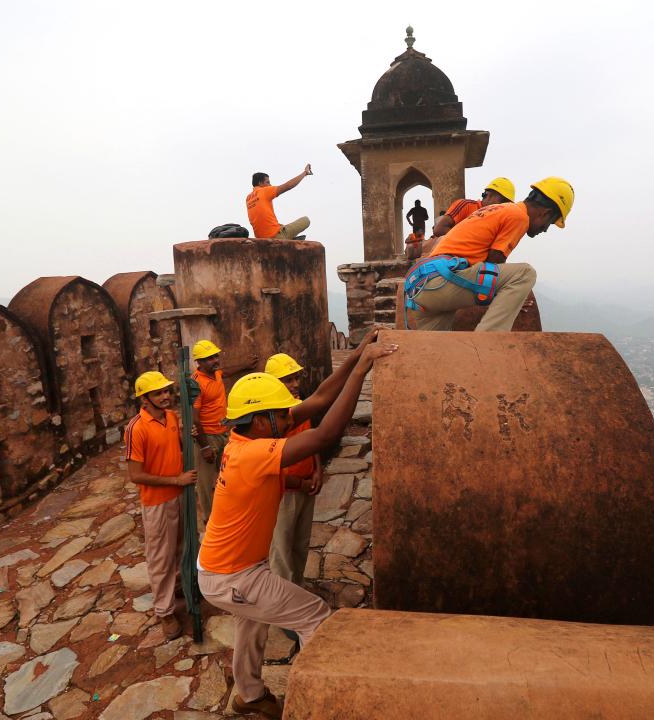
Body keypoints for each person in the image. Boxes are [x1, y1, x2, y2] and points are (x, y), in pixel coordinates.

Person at [198, 332, 398, 719]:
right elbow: (326, 433)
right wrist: (363, 368)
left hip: (226, 568)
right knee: (315, 616)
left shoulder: (243, 440)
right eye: (279, 414)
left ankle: (250, 695)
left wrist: (356, 352)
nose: (287, 417)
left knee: (251, 624)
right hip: (233, 575)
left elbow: (320, 399)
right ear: (259, 420)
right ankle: (316, 705)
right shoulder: (253, 452)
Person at [266, 329, 383, 592]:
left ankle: (296, 585)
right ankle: (284, 599)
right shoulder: (274, 421)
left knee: (299, 543)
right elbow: (323, 418)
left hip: (305, 484)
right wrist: (359, 365)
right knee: (281, 548)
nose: (295, 384)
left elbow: (312, 436)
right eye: (287, 380)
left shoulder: (293, 406)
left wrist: (317, 470)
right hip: (284, 491)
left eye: (296, 377)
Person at [405, 177, 574, 332]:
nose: (544, 229)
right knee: (525, 274)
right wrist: (509, 298)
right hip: (442, 281)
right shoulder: (519, 216)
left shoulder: (497, 209)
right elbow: (494, 263)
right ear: (545, 213)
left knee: (437, 351)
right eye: (549, 224)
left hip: (420, 286)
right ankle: (488, 339)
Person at [124, 371, 198, 640]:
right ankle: (165, 612)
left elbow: (174, 446)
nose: (165, 396)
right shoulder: (136, 428)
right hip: (158, 501)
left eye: (167, 391)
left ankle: (178, 588)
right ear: (144, 399)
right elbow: (135, 475)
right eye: (158, 393)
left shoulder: (171, 418)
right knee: (160, 558)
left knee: (181, 547)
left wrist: (186, 436)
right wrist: (175, 480)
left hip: (180, 493)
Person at [191, 339, 257, 529]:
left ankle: (228, 512)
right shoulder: (196, 384)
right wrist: (204, 446)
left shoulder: (216, 374)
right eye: (209, 358)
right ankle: (210, 520)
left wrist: (246, 365)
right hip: (207, 436)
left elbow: (225, 371)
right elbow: (195, 419)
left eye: (215, 356)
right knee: (205, 483)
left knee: (227, 475)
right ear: (199, 362)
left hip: (223, 433)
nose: (214, 360)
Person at [246, 165, 313, 240]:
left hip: (261, 238)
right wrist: (305, 173)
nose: (270, 185)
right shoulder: (264, 191)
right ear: (260, 183)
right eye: (267, 182)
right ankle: (290, 240)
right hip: (276, 236)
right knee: (306, 220)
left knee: (282, 226)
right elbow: (288, 186)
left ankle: (290, 238)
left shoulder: (248, 198)